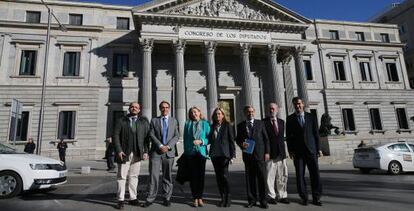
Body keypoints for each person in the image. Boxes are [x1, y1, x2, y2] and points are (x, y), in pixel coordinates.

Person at [113, 102, 150, 210]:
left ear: (139, 110)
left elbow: (147, 138)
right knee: (122, 176)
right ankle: (120, 199)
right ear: (129, 109)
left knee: (134, 176)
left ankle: (133, 198)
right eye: (132, 107)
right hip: (124, 153)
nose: (134, 108)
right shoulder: (121, 120)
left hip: (137, 153)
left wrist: (146, 151)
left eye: (136, 107)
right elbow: (115, 135)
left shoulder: (143, 122)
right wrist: (119, 150)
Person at [286, 97, 322, 206]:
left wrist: (319, 148)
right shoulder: (290, 119)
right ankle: (304, 197)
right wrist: (290, 150)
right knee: (300, 175)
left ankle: (316, 197)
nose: (297, 106)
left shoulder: (311, 117)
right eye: (295, 104)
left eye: (299, 104)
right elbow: (288, 137)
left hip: (311, 150)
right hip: (298, 152)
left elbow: (316, 134)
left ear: (303, 104)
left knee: (315, 174)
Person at [142, 101, 179, 207]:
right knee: (153, 176)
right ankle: (150, 198)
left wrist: (167, 146)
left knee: (167, 176)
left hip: (169, 152)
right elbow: (151, 134)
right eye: (162, 107)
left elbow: (176, 136)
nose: (165, 109)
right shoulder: (154, 120)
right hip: (156, 152)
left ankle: (166, 197)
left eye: (167, 107)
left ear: (169, 108)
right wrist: (160, 146)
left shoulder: (174, 121)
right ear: (160, 108)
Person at [236, 105, 270, 209]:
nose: (250, 113)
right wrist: (242, 145)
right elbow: (238, 139)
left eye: (251, 111)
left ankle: (263, 200)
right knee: (250, 179)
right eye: (248, 112)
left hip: (260, 155)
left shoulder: (260, 123)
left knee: (262, 178)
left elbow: (266, 139)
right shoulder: (240, 125)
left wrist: (267, 152)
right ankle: (252, 200)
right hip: (248, 155)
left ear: (254, 112)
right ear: (244, 113)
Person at [262, 103, 290, 205]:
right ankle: (271, 196)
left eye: (273, 109)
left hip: (281, 153)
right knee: (270, 176)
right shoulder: (263, 122)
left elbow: (282, 138)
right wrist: (266, 152)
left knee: (282, 175)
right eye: (270, 109)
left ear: (277, 110)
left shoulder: (282, 122)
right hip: (270, 154)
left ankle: (282, 195)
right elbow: (263, 139)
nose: (271, 110)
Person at [183, 106, 210, 207]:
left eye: (195, 112)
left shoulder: (205, 124)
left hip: (201, 154)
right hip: (191, 153)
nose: (193, 114)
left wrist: (201, 141)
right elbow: (185, 139)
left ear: (199, 112)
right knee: (193, 177)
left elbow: (209, 138)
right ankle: (195, 198)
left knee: (200, 177)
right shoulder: (187, 124)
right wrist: (186, 152)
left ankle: (200, 197)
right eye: (192, 112)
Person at [208, 107, 235, 207]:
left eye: (219, 114)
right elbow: (210, 140)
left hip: (224, 155)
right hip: (215, 155)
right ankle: (222, 198)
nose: (218, 116)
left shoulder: (227, 125)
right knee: (218, 178)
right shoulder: (212, 127)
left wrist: (232, 155)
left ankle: (228, 198)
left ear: (223, 115)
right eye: (216, 114)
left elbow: (231, 141)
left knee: (224, 177)